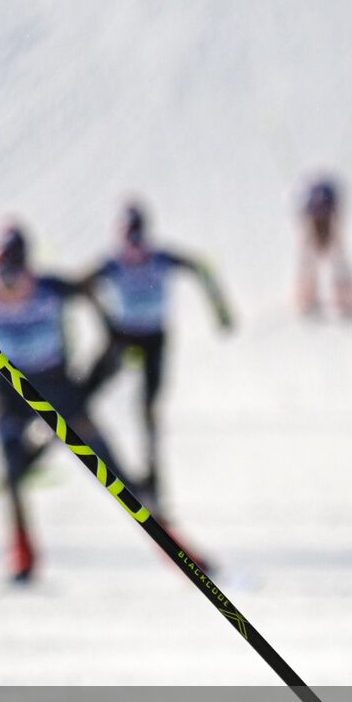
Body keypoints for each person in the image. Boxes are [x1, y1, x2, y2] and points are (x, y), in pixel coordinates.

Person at [0, 223, 122, 583]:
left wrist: (111, 348)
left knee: (95, 446)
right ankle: (22, 553)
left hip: (55, 381)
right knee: (12, 469)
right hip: (9, 387)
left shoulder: (50, 286)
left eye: (15, 273)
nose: (10, 283)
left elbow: (92, 297)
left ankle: (152, 513)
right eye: (2, 273)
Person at [77, 201, 232, 505]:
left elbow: (200, 268)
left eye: (137, 239)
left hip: (153, 339)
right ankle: (40, 441)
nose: (134, 251)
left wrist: (220, 310)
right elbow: (79, 287)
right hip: (121, 338)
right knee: (80, 395)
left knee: (148, 409)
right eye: (128, 240)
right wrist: (103, 319)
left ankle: (153, 482)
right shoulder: (112, 262)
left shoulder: (160, 257)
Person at [295, 175, 352, 319]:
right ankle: (307, 295)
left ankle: (344, 296)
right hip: (315, 229)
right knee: (309, 263)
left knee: (338, 263)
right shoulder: (309, 228)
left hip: (328, 228)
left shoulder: (332, 229)